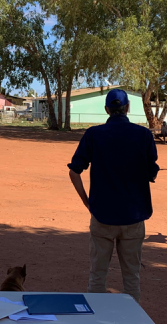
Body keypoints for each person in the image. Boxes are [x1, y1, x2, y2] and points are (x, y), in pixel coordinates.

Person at [68, 89, 159, 303]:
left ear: (107, 109)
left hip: (102, 216)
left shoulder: (93, 135)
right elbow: (151, 172)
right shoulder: (143, 135)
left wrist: (88, 203)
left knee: (97, 277)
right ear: (128, 107)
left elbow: (74, 172)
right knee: (131, 279)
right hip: (134, 217)